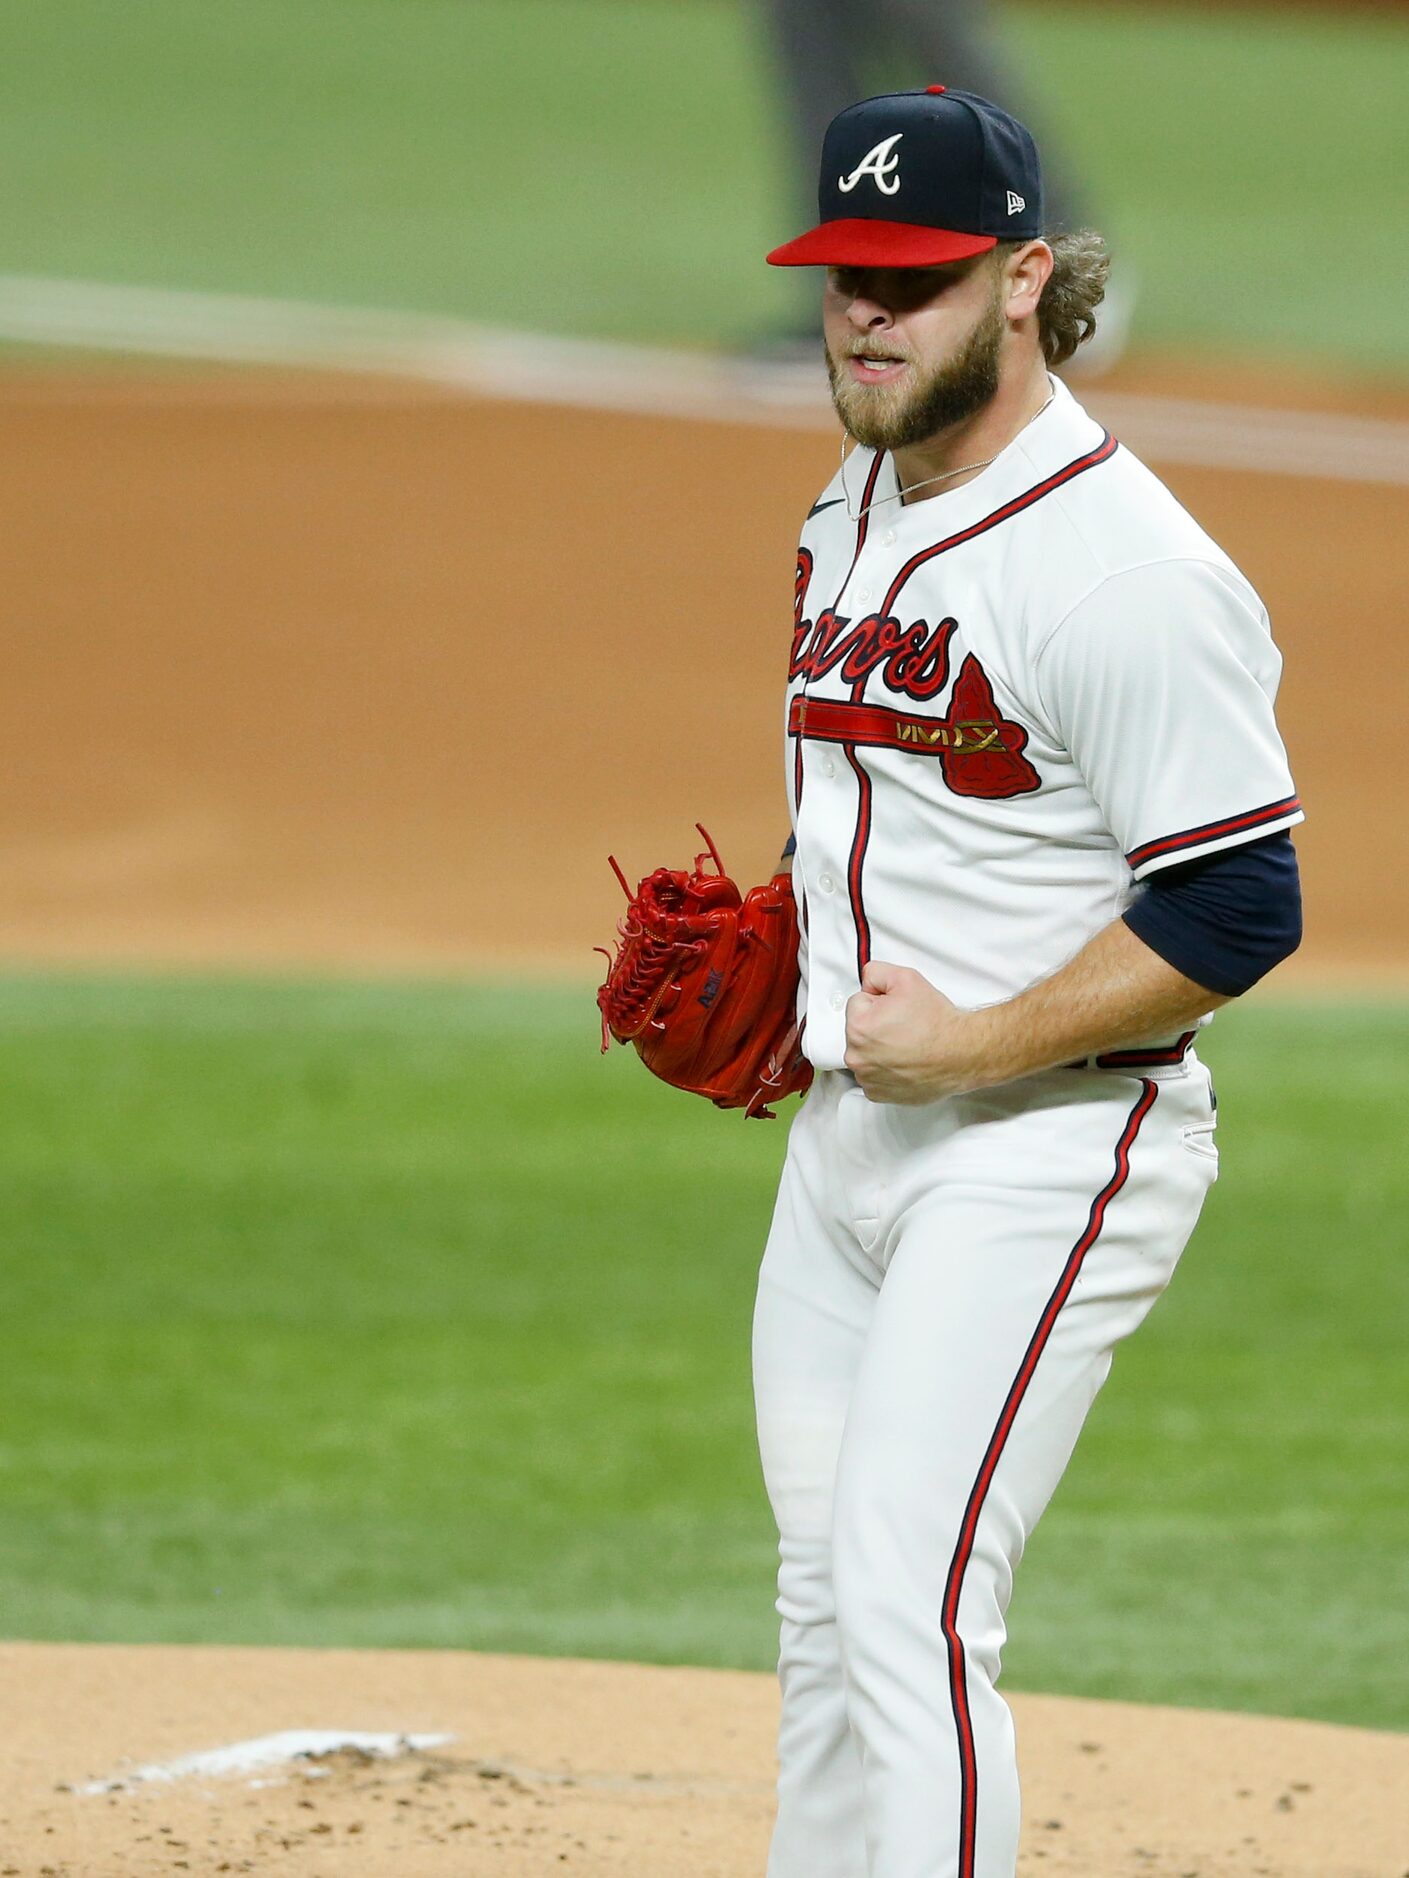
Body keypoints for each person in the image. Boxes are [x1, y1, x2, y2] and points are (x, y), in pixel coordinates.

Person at [752, 87, 1302, 1878]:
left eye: (911, 279)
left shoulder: (1126, 573)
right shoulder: (857, 491)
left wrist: (967, 1043)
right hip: (852, 1136)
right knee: (828, 1604)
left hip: (1047, 1148)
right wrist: (792, 956)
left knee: (907, 1598)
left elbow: (1235, 909)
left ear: (1019, 281)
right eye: (844, 272)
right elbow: (902, 794)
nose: (866, 313)